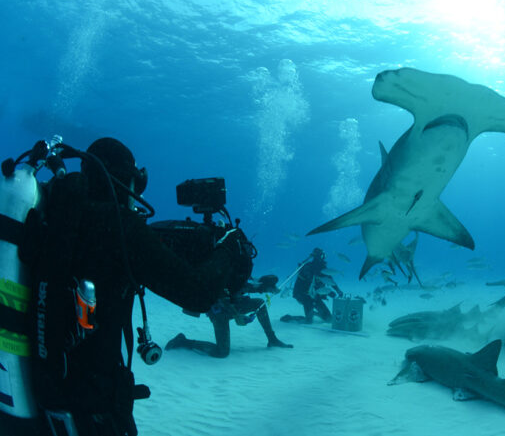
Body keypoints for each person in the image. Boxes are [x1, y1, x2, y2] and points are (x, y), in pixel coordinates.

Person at [3, 137, 251, 436]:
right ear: (128, 180)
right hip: (93, 409)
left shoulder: (56, 209)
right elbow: (198, 294)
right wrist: (227, 245)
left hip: (40, 392)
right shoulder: (119, 227)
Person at [165, 274, 292, 357]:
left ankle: (272, 339)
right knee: (222, 352)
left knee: (260, 303)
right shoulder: (225, 271)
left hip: (233, 305)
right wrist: (237, 316)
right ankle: (183, 341)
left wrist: (267, 288)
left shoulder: (239, 270)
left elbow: (246, 286)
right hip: (218, 312)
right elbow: (220, 298)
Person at [285, 248, 343, 324]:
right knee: (308, 321)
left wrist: (338, 290)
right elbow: (310, 282)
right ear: (318, 257)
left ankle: (314, 313)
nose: (323, 258)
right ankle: (291, 318)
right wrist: (328, 293)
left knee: (329, 318)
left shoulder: (323, 269)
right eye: (322, 256)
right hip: (303, 295)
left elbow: (329, 280)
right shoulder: (308, 268)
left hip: (314, 295)